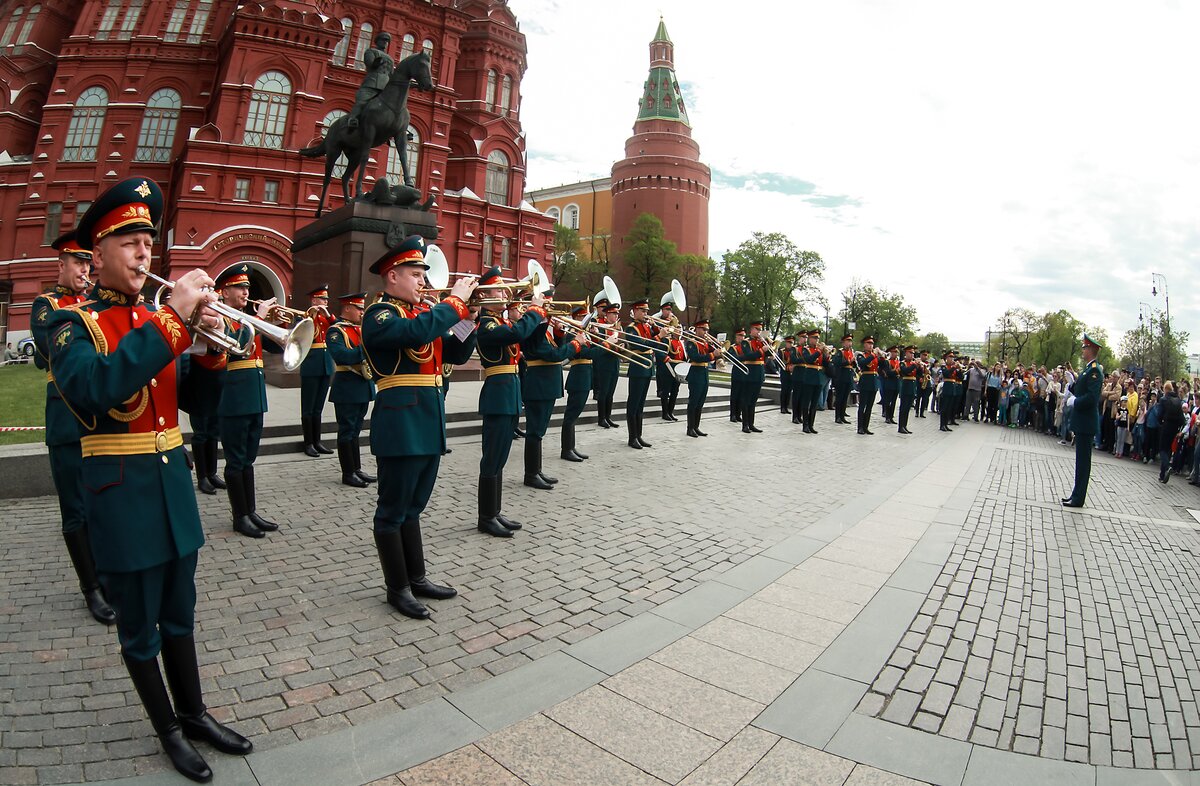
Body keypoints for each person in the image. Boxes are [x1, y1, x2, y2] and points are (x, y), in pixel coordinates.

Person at [48, 177, 252, 781]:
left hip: (170, 488)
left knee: (180, 614)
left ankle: (193, 712)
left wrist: (214, 349)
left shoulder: (152, 321)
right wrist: (171, 324)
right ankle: (167, 730)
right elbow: (97, 388)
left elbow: (194, 404)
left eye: (148, 241)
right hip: (121, 495)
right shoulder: (70, 325)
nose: (144, 253)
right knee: (140, 629)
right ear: (98, 252)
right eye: (130, 241)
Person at [361, 236, 477, 617]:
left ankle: (417, 577)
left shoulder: (421, 315)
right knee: (392, 510)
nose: (423, 282)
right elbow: (412, 337)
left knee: (413, 508)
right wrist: (453, 303)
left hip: (428, 421)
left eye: (423, 275)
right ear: (392, 276)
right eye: (415, 274)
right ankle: (397, 588)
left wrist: (468, 321)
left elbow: (457, 353)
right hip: (400, 422)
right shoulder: (379, 314)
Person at [32, 230, 117, 625]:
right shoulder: (46, 305)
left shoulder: (97, 302)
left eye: (89, 262)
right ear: (61, 265)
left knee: (103, 504)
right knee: (76, 511)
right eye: (77, 262)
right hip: (66, 418)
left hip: (101, 420)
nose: (84, 269)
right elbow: (53, 349)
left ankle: (109, 573)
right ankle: (91, 589)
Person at [475, 269, 546, 537]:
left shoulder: (500, 323)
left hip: (509, 394)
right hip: (497, 395)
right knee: (492, 458)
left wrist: (542, 319)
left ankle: (494, 511)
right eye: (497, 290)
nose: (504, 294)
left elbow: (527, 337)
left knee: (500, 457)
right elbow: (517, 334)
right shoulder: (487, 325)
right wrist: (534, 312)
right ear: (483, 296)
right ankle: (485, 516)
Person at [216, 265, 283, 539]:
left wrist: (274, 327)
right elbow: (234, 346)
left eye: (247, 288)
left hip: (255, 399)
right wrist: (258, 318)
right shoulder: (221, 319)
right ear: (225, 292)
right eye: (239, 288)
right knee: (236, 460)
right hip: (232, 400)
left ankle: (251, 511)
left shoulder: (248, 320)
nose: (246, 292)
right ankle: (239, 516)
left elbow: (280, 347)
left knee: (248, 460)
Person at [520, 305, 585, 488]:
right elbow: (554, 355)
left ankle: (536, 470)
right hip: (539, 386)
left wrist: (558, 333)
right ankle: (531, 474)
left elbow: (556, 347)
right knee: (535, 432)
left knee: (539, 432)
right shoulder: (534, 333)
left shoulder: (543, 333)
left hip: (545, 386)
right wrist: (576, 343)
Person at [326, 292, 376, 488]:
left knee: (356, 431)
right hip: (347, 387)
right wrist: (369, 348)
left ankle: (356, 469)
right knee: (346, 431)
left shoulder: (360, 329)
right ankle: (348, 473)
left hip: (362, 385)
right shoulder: (336, 331)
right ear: (347, 308)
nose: (362, 312)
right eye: (359, 308)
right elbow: (342, 356)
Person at [1062, 334, 1104, 507]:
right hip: (1083, 422)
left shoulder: (1094, 370)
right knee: (1080, 462)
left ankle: (1079, 498)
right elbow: (1082, 389)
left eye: (1084, 347)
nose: (1082, 350)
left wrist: (1075, 401)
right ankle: (1075, 494)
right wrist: (1072, 384)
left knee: (1083, 463)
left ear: (1090, 350)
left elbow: (1092, 398)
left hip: (1086, 422)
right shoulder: (1088, 369)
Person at [299, 284, 336, 457]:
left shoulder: (326, 319)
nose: (325, 302)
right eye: (323, 299)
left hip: (325, 365)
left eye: (327, 299)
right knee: (308, 407)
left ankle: (317, 441)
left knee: (318, 408)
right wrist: (312, 314)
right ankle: (308, 443)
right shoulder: (306, 318)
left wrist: (327, 315)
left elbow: (336, 328)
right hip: (311, 366)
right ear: (314, 300)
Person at [560, 305, 600, 461]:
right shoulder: (572, 335)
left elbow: (592, 349)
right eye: (583, 317)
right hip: (578, 378)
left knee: (574, 415)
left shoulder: (584, 334)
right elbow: (586, 353)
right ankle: (566, 449)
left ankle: (571, 447)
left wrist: (596, 338)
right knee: (570, 415)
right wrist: (607, 345)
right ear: (576, 318)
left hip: (585, 377)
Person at [623, 298, 663, 448]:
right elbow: (642, 343)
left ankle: (638, 435)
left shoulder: (646, 326)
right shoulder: (631, 328)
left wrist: (657, 328)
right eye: (643, 311)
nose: (646, 313)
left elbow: (658, 341)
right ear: (635, 311)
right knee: (633, 403)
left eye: (647, 311)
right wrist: (659, 336)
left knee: (641, 404)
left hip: (647, 367)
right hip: (637, 367)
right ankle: (631, 437)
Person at [346, 32, 394, 129]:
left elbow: (392, 74)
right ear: (377, 41)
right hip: (372, 82)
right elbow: (370, 64)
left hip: (386, 86)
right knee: (362, 101)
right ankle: (353, 119)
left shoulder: (390, 59)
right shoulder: (371, 51)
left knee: (394, 107)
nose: (385, 42)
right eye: (383, 40)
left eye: (386, 41)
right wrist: (377, 62)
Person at [684, 318, 718, 437]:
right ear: (697, 329)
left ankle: (696, 427)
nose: (706, 332)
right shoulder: (691, 342)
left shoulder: (705, 342)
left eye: (707, 329)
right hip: (695, 373)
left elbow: (716, 351)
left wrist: (716, 347)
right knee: (693, 402)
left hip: (704, 373)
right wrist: (712, 355)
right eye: (704, 329)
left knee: (700, 402)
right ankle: (690, 428)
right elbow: (696, 357)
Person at [733, 321, 769, 433]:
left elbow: (770, 355)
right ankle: (745, 425)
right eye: (757, 329)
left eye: (760, 330)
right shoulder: (745, 342)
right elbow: (748, 355)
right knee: (746, 400)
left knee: (753, 401)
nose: (759, 332)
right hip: (749, 374)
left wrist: (771, 348)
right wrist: (761, 351)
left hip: (759, 374)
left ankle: (751, 424)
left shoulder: (761, 342)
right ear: (752, 330)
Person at [592, 301, 622, 429]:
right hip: (604, 361)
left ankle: (608, 417)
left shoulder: (618, 327)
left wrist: (622, 347)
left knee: (611, 391)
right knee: (603, 391)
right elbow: (598, 344)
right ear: (607, 314)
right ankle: (601, 418)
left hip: (615, 361)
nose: (616, 316)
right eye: (614, 313)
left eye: (617, 313)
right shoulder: (601, 326)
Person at [1156, 381, 1186, 484]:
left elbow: (1159, 415)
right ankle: (1162, 475)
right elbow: (1182, 419)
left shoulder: (1164, 400)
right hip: (1174, 428)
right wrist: (1178, 429)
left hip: (1166, 426)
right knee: (1168, 450)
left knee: (1162, 449)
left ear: (1165, 389)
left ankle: (1167, 467)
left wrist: (1161, 423)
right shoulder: (1178, 401)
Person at [796, 330, 825, 434]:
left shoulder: (819, 351)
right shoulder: (805, 349)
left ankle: (811, 425)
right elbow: (808, 360)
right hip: (808, 378)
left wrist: (826, 355)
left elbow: (824, 363)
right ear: (809, 339)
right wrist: (819, 352)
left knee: (814, 403)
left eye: (817, 338)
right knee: (806, 402)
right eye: (814, 338)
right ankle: (805, 425)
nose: (816, 340)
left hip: (818, 379)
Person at [856, 337, 880, 435]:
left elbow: (883, 366)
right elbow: (862, 364)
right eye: (868, 343)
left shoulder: (874, 356)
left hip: (874, 382)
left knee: (869, 407)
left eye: (872, 344)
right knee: (862, 406)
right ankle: (860, 427)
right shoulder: (861, 355)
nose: (871, 345)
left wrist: (882, 357)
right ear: (864, 345)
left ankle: (866, 427)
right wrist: (874, 354)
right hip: (865, 382)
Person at [831, 333, 856, 424]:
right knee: (840, 397)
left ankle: (842, 415)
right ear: (843, 343)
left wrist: (853, 362)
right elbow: (836, 362)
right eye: (848, 341)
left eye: (850, 341)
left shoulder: (851, 352)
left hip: (848, 377)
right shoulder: (840, 352)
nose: (850, 343)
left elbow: (853, 365)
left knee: (845, 397)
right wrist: (849, 361)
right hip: (841, 377)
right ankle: (837, 416)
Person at [898, 345, 920, 434]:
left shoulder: (913, 364)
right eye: (910, 353)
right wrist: (915, 365)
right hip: (905, 385)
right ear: (906, 353)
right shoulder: (902, 363)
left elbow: (918, 375)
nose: (912, 355)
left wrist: (921, 368)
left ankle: (905, 426)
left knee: (908, 408)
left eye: (913, 353)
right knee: (903, 407)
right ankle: (901, 426)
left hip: (912, 387)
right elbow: (906, 371)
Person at [879, 346, 900, 424]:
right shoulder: (887, 362)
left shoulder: (898, 362)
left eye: (896, 352)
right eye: (894, 352)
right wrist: (896, 371)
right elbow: (887, 373)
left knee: (894, 401)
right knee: (888, 401)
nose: (896, 354)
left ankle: (891, 417)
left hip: (896, 383)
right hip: (889, 383)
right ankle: (887, 417)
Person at [728, 327, 746, 422]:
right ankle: (733, 415)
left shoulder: (746, 347)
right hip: (737, 372)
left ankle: (739, 414)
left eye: (743, 336)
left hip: (744, 373)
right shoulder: (732, 347)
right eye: (740, 336)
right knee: (735, 394)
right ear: (736, 336)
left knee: (742, 395)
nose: (742, 338)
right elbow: (734, 358)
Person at [779, 335, 795, 415]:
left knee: (789, 390)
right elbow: (779, 362)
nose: (790, 344)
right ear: (786, 343)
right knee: (784, 390)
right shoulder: (782, 351)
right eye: (789, 343)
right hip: (785, 372)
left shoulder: (795, 350)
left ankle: (786, 407)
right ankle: (782, 407)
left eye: (792, 343)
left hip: (792, 373)